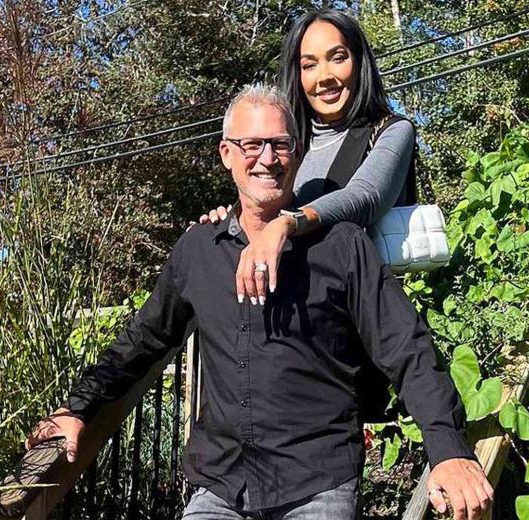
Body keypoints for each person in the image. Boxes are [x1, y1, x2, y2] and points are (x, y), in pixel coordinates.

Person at [25, 85, 493, 520]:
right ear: (227, 154)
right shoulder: (199, 250)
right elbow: (142, 342)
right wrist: (76, 409)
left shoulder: (342, 246)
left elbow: (406, 348)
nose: (267, 159)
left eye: (280, 145)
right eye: (252, 145)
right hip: (220, 486)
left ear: (298, 153)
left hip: (316, 486)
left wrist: (448, 450)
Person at [198, 9, 417, 308]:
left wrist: (289, 222)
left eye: (338, 58)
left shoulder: (392, 131)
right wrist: (230, 221)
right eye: (309, 65)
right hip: (294, 313)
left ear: (359, 63)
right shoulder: (288, 145)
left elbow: (366, 196)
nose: (324, 77)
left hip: (363, 314)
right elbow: (262, 202)